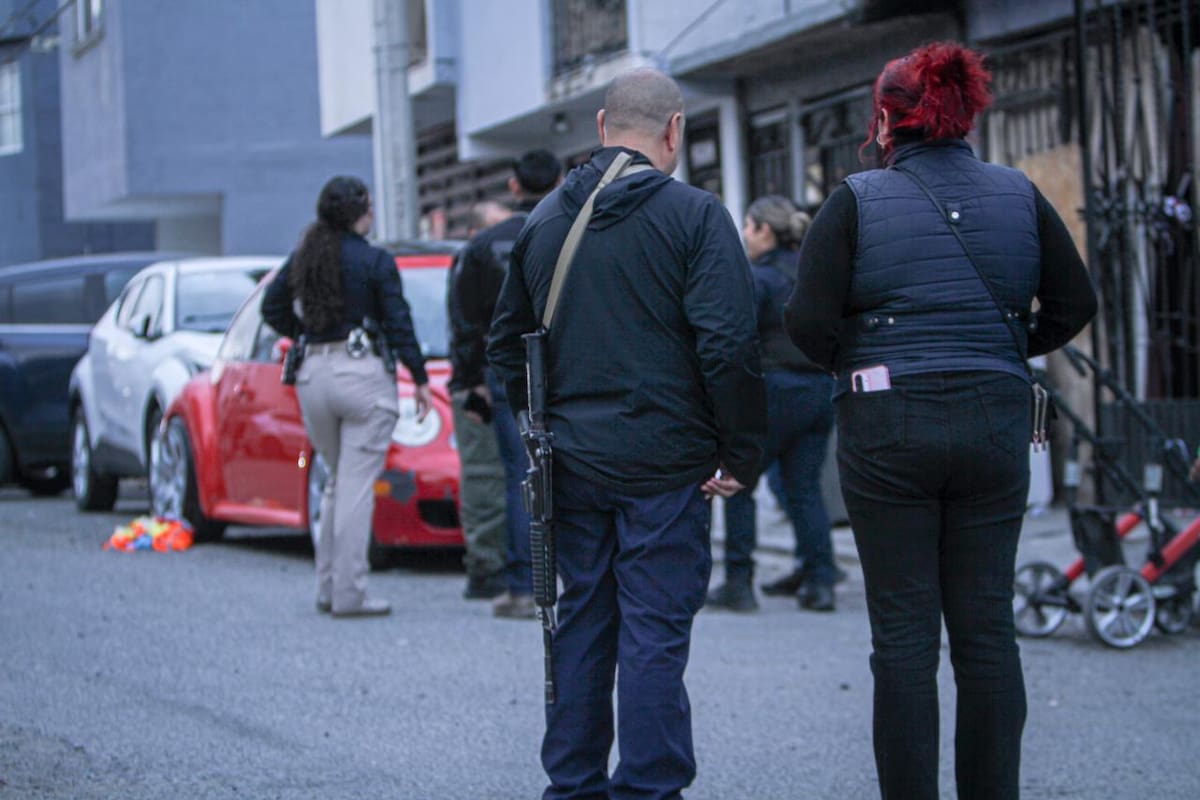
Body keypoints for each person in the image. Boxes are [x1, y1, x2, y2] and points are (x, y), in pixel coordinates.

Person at [785, 43, 1098, 799]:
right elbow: (1075, 304)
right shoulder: (1020, 193)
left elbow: (806, 322)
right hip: (994, 416)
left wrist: (862, 358)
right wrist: (998, 346)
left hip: (888, 418)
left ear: (887, 120)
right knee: (987, 630)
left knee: (903, 638)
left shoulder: (854, 199)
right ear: (965, 116)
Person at [487, 67, 766, 800]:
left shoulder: (545, 221)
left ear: (604, 127)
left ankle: (573, 783)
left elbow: (505, 345)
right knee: (654, 630)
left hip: (571, 462)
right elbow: (729, 346)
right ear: (674, 132)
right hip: (665, 463)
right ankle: (648, 787)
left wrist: (540, 427)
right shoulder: (697, 217)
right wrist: (741, 451)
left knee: (581, 620)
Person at [262, 175, 431, 618]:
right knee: (356, 487)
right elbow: (398, 322)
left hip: (312, 374)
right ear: (357, 212)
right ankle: (350, 594)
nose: (373, 213)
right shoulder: (375, 261)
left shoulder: (305, 257)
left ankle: (328, 586)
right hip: (362, 374)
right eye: (369, 205)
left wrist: (305, 334)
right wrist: (420, 376)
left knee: (339, 480)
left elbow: (271, 308)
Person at [705, 195, 839, 613]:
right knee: (804, 488)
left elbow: (736, 339)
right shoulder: (813, 272)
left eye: (748, 226)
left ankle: (740, 582)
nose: (745, 234)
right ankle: (819, 580)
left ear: (764, 230)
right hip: (819, 391)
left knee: (738, 482)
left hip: (775, 391)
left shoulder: (757, 277)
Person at [455, 150, 563, 619]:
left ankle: (522, 586)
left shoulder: (485, 246)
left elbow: (466, 322)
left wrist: (470, 380)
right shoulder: (580, 230)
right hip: (574, 373)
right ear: (560, 180)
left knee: (523, 479)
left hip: (509, 375)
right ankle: (582, 582)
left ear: (514, 186)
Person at [447, 202, 514, 600]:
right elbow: (463, 326)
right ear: (476, 233)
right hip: (478, 381)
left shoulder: (484, 261)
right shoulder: (468, 263)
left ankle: (500, 561)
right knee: (485, 474)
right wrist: (471, 382)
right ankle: (486, 566)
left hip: (492, 376)